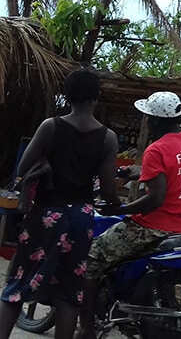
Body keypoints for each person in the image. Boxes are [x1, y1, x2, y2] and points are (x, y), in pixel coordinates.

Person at [0, 67, 118, 339]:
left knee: (19, 283)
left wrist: (48, 163)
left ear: (67, 95)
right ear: (96, 97)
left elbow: (23, 165)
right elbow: (109, 189)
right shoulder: (107, 138)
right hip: (80, 219)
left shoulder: (50, 126)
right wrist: (114, 205)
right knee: (69, 292)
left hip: (45, 214)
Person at [77, 91, 181, 339]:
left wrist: (120, 209)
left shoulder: (156, 149)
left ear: (155, 120)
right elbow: (170, 174)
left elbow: (156, 198)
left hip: (153, 227)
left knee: (90, 259)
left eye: (147, 117)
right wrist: (136, 171)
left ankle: (86, 329)